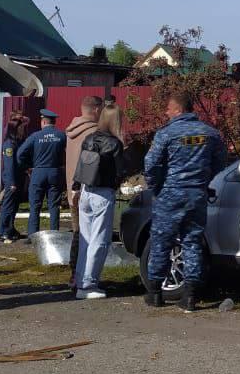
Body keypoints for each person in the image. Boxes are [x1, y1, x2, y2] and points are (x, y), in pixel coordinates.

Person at [143, 89, 227, 312]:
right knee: (192, 242)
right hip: (196, 194)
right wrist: (204, 179)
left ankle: (154, 293)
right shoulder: (210, 133)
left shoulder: (167, 134)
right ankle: (190, 296)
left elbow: (151, 164)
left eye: (168, 109)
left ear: (178, 109)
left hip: (169, 194)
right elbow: (220, 161)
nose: (166, 112)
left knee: (162, 241)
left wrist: (155, 185)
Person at [71, 100, 125, 299]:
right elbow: (121, 171)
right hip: (103, 193)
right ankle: (89, 283)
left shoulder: (89, 138)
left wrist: (76, 187)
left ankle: (79, 280)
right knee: (100, 240)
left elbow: (80, 165)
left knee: (86, 239)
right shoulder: (115, 143)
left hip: (85, 190)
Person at [64, 96, 103, 284]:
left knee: (77, 233)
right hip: (87, 189)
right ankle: (84, 275)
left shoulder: (71, 131)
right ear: (96, 110)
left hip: (72, 189)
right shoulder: (94, 133)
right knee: (87, 236)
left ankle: (74, 273)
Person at [17, 109, 67, 236]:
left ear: (43, 121)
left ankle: (33, 235)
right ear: (53, 122)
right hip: (55, 172)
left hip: (38, 172)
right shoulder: (61, 136)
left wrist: (27, 167)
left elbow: (20, 154)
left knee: (35, 205)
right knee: (54, 205)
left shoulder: (35, 136)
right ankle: (54, 234)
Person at [0, 112, 32, 243]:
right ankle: (3, 231)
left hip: (18, 177)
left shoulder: (17, 142)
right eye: (22, 128)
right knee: (8, 206)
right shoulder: (9, 145)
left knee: (14, 205)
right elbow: (9, 165)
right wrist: (11, 183)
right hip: (11, 179)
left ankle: (10, 228)